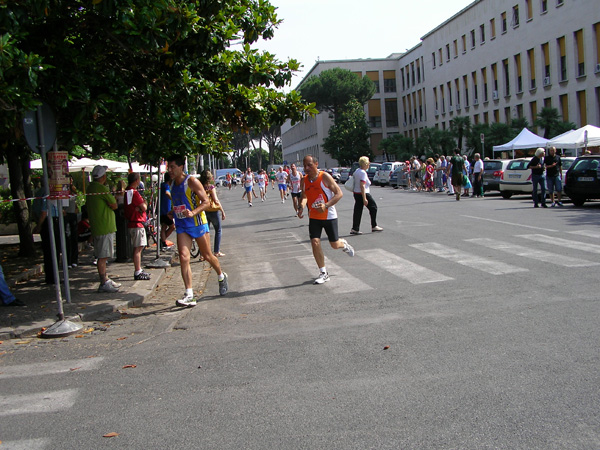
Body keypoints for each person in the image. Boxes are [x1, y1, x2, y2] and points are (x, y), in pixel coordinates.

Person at [166, 154, 228, 307]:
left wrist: (193, 212)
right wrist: (174, 211)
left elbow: (207, 202)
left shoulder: (192, 181)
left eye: (173, 167)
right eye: (169, 167)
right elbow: (179, 202)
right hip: (182, 225)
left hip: (197, 223)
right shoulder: (172, 183)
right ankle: (189, 294)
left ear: (181, 167)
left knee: (207, 255)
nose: (170, 170)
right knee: (183, 256)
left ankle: (221, 276)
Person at [297, 155, 355, 285]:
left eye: (310, 165)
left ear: (316, 164)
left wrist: (326, 205)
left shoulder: (324, 177)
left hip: (329, 215)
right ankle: (323, 273)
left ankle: (343, 244)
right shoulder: (304, 180)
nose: (307, 168)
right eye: (305, 165)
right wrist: (301, 207)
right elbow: (305, 195)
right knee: (315, 242)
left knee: (334, 245)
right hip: (314, 216)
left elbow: (339, 193)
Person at [86, 165, 121, 293]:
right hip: (104, 226)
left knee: (103, 254)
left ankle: (105, 278)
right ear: (103, 177)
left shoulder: (90, 188)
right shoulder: (101, 188)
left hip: (97, 225)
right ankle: (103, 282)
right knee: (103, 256)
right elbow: (114, 205)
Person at [124, 172, 152, 281]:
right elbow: (144, 207)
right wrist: (142, 206)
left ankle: (138, 269)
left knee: (138, 247)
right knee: (138, 247)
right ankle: (137, 270)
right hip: (136, 222)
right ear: (137, 180)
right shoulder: (134, 192)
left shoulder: (127, 191)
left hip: (132, 222)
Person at [32, 186, 62, 285]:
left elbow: (35, 209)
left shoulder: (40, 191)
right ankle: (52, 277)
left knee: (49, 250)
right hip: (49, 222)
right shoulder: (47, 193)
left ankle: (51, 276)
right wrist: (39, 225)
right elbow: (44, 212)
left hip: (49, 222)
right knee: (53, 250)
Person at [351, 156, 382, 235]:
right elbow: (362, 185)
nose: (369, 165)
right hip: (363, 193)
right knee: (373, 207)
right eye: (368, 163)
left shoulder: (357, 171)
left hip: (356, 193)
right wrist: (364, 198)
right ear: (365, 164)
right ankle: (374, 226)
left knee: (358, 211)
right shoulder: (363, 173)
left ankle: (355, 228)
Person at [200, 170, 226, 257]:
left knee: (204, 233)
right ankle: (216, 251)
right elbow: (216, 200)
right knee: (218, 230)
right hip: (213, 211)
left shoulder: (200, 187)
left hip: (203, 210)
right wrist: (222, 211)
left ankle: (203, 253)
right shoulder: (211, 187)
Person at [65, 179, 79, 268]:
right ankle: (68, 261)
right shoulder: (63, 191)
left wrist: (76, 208)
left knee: (74, 237)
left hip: (73, 214)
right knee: (67, 237)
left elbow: (75, 202)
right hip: (66, 215)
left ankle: (74, 259)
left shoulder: (73, 191)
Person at [160, 172, 175, 249]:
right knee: (172, 227)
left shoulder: (161, 185)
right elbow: (167, 193)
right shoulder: (166, 186)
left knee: (163, 226)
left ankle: (162, 241)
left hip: (161, 210)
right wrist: (173, 199)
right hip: (166, 210)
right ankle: (163, 241)